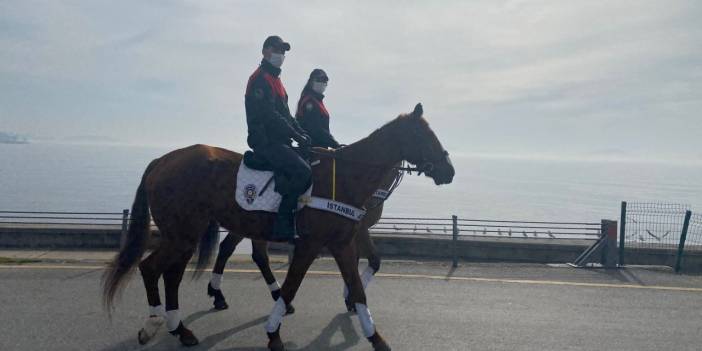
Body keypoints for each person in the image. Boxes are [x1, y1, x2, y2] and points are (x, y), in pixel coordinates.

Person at [244, 35, 311, 241]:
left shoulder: (276, 81)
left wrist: (302, 133)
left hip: (281, 141)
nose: (280, 55)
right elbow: (269, 115)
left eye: (283, 52)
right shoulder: (260, 79)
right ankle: (283, 223)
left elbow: (287, 115)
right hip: (265, 141)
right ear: (265, 51)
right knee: (303, 172)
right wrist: (296, 135)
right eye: (276, 50)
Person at [295, 69, 340, 149]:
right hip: (311, 148)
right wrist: (335, 144)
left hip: (321, 148)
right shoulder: (308, 101)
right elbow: (316, 129)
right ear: (311, 81)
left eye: (325, 81)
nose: (322, 83)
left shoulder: (317, 102)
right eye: (319, 80)